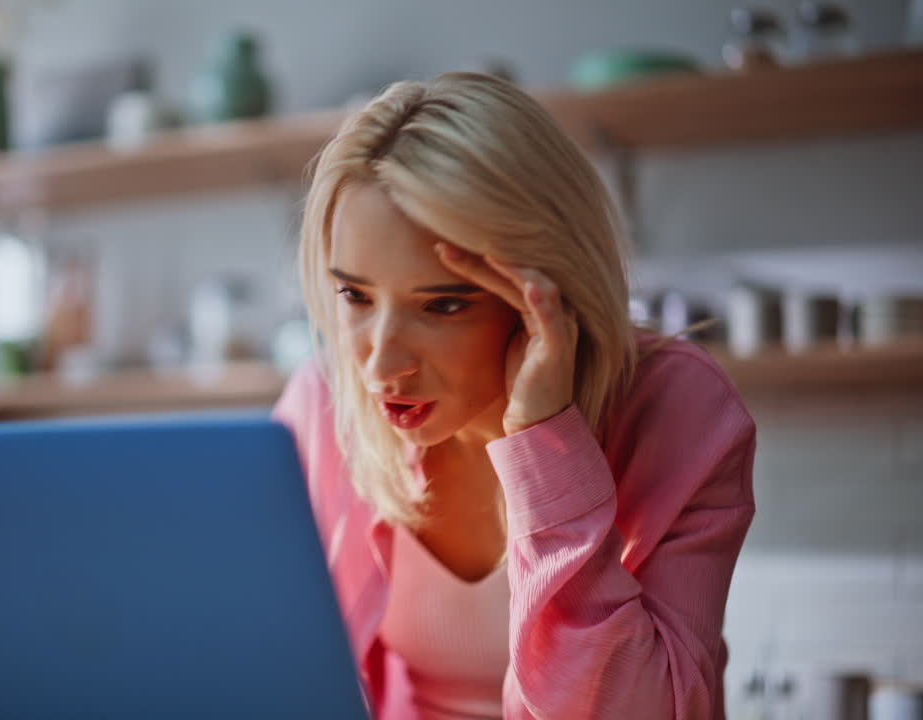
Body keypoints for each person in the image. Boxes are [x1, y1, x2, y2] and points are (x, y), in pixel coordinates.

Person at [272, 72, 756, 719]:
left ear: (549, 287)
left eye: (443, 304)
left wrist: (545, 443)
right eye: (355, 295)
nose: (380, 365)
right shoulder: (322, 405)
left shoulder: (679, 409)